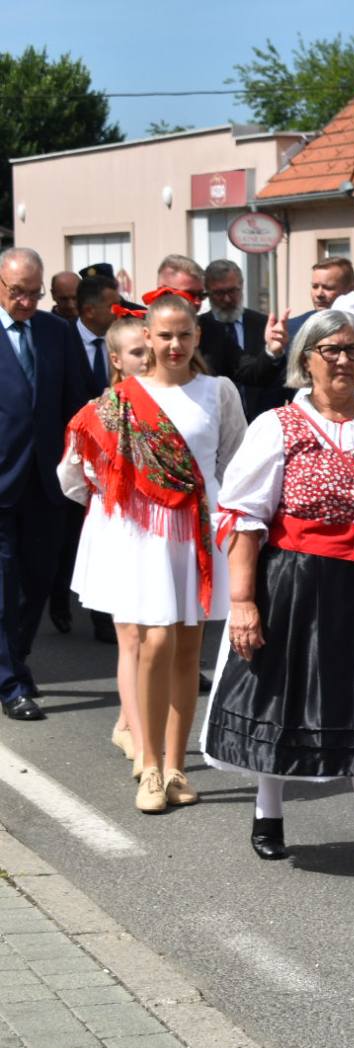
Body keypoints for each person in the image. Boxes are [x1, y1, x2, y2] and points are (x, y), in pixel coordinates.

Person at [202, 309, 354, 889]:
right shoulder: (277, 426)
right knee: (286, 701)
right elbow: (246, 521)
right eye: (329, 349)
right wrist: (243, 601)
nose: (342, 359)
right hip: (298, 583)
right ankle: (269, 808)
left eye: (353, 349)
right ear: (304, 359)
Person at [59, 291, 247, 812]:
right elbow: (77, 470)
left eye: (185, 335)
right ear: (147, 337)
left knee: (190, 650)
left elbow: (236, 461)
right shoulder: (118, 400)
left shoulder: (219, 391)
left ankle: (174, 767)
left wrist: (233, 526)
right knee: (155, 642)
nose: (175, 344)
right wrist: (119, 510)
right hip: (147, 538)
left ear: (197, 337)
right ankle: (146, 761)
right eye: (164, 335)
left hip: (198, 533)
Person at [0, 248, 91, 721]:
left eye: (34, 294)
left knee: (37, 578)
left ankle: (16, 658)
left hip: (47, 481)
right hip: (1, 479)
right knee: (3, 578)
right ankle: (10, 681)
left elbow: (79, 402)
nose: (27, 303)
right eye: (18, 293)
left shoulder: (57, 333)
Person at [60, 317, 152, 769]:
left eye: (149, 349)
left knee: (159, 636)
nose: (148, 358)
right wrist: (107, 499)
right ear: (115, 360)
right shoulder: (98, 412)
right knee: (131, 635)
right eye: (137, 352)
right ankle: (134, 733)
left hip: (161, 530)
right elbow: (71, 476)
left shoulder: (169, 405)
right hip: (119, 529)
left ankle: (126, 719)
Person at [50, 274, 120, 642]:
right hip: (71, 452)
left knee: (102, 535)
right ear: (90, 310)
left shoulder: (124, 339)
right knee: (64, 538)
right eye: (113, 303)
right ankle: (59, 598)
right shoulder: (61, 338)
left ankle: (102, 617)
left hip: (112, 457)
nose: (120, 308)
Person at [264, 256, 354, 363]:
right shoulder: (292, 329)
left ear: (350, 289)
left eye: (328, 287)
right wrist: (273, 353)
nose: (319, 294)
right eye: (315, 286)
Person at [199, 259, 285, 421]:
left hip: (260, 421)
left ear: (242, 286)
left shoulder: (264, 325)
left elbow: (275, 376)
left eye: (232, 291)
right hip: (213, 421)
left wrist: (274, 352)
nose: (227, 299)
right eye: (219, 293)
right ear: (207, 292)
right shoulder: (197, 330)